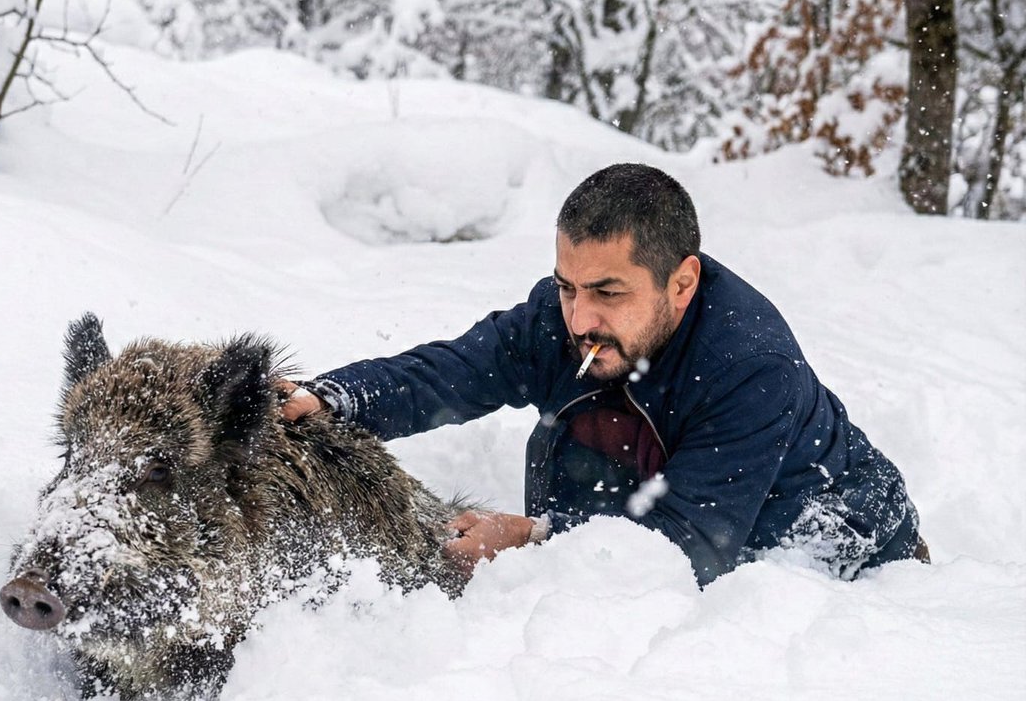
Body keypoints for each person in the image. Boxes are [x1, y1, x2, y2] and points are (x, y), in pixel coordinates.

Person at [282, 163, 926, 585]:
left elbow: (690, 547)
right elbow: (452, 372)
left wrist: (532, 539)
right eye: (568, 286)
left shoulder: (751, 369)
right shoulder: (564, 318)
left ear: (682, 283)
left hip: (839, 560)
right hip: (670, 511)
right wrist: (336, 399)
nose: (579, 316)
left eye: (609, 292)